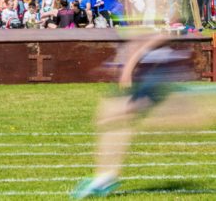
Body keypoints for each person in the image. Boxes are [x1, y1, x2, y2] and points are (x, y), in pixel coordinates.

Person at [73, 34, 200, 199]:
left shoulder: (159, 19)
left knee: (115, 117)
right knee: (111, 118)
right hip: (150, 74)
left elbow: (154, 39)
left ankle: (105, 177)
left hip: (154, 75)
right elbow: (140, 42)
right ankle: (105, 176)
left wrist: (128, 68)